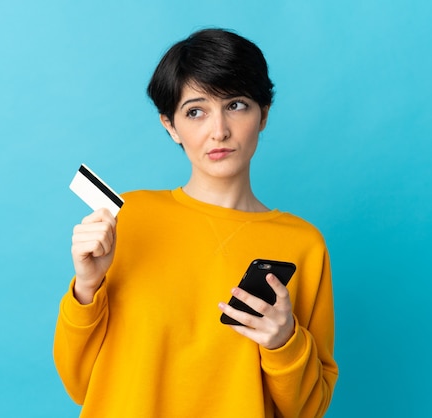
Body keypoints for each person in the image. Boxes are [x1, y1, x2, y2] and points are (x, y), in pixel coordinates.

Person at [53, 28, 338, 417]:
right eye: (196, 111)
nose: (218, 130)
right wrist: (87, 286)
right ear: (170, 126)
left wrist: (284, 341)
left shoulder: (303, 245)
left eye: (236, 105)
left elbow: (310, 409)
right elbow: (79, 383)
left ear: (264, 115)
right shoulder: (128, 219)